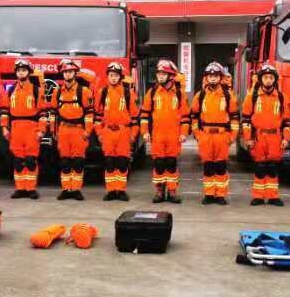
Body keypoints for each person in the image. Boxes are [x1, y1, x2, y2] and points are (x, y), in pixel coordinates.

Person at [140, 59, 190, 204]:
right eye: (159, 74)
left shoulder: (179, 94)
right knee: (159, 164)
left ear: (171, 76)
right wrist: (145, 132)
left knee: (171, 163)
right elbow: (144, 115)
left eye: (163, 74)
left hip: (174, 136)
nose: (160, 76)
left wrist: (184, 133)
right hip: (157, 135)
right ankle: (160, 192)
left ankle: (172, 192)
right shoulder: (152, 93)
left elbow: (185, 117)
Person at [242, 62, 290, 206]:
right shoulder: (252, 96)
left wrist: (286, 138)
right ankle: (258, 196)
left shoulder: (282, 97)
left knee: (273, 167)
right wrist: (248, 138)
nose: (268, 80)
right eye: (265, 77)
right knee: (260, 167)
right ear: (260, 79)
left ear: (275, 79)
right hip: (258, 137)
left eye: (271, 77)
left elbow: (287, 121)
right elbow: (246, 119)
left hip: (275, 137)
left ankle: (273, 196)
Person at [190, 62, 239, 205]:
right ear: (206, 77)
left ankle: (220, 195)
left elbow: (235, 117)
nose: (212, 78)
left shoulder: (228, 96)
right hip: (205, 136)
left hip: (222, 136)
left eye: (216, 76)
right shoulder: (200, 95)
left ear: (220, 77)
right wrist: (197, 134)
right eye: (210, 76)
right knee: (208, 166)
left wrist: (232, 136)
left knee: (220, 166)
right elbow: (194, 116)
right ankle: (209, 194)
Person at [46, 59, 95, 200]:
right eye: (65, 72)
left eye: (70, 72)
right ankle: (66, 190)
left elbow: (89, 113)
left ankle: (76, 190)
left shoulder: (84, 91)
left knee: (78, 162)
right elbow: (53, 113)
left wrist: (88, 131)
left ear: (75, 73)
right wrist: (53, 131)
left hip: (78, 130)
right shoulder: (57, 92)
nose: (67, 74)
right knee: (65, 162)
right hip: (63, 130)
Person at [0, 59, 46, 200]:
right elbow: (5, 111)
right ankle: (20, 189)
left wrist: (42, 130)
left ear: (29, 72)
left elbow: (42, 113)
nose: (21, 73)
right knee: (18, 160)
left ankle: (31, 189)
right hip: (15, 128)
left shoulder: (36, 90)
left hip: (31, 127)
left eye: (24, 70)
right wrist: (4, 127)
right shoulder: (10, 90)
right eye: (19, 71)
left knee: (31, 160)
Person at [95, 62, 139, 201]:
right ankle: (111, 191)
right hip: (107, 132)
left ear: (120, 77)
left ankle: (120, 190)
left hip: (123, 131)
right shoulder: (102, 93)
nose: (113, 78)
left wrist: (133, 135)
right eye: (111, 75)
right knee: (109, 162)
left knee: (122, 162)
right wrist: (99, 133)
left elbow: (135, 117)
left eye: (116, 75)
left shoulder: (128, 93)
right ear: (107, 77)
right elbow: (97, 116)